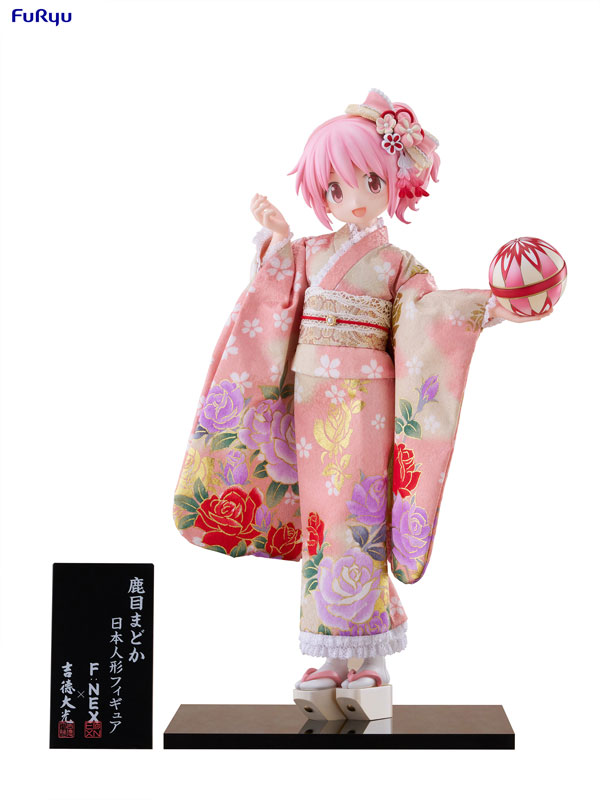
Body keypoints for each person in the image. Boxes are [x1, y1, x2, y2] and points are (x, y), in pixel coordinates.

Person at [173, 88, 551, 695]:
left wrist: (493, 309)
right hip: (311, 397)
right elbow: (272, 297)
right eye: (335, 188)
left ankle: (373, 658)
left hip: (369, 399)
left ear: (393, 182)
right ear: (321, 194)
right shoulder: (308, 253)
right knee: (322, 520)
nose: (353, 198)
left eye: (370, 181)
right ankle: (332, 658)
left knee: (362, 512)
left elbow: (429, 317)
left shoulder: (397, 264)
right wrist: (275, 240)